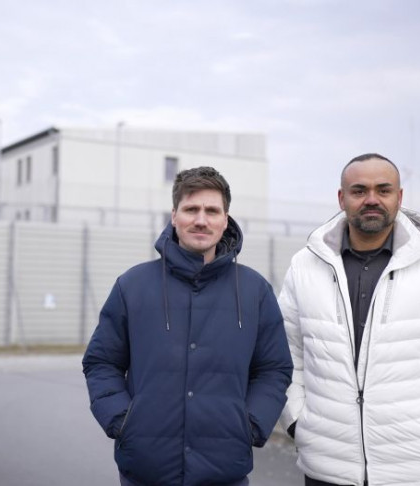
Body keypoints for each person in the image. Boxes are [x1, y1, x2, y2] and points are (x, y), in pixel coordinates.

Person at [278, 153, 420, 486]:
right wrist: (297, 421)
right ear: (341, 198)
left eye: (383, 190)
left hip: (419, 471)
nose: (371, 199)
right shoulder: (304, 266)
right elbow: (285, 352)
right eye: (359, 190)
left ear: (399, 197)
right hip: (327, 467)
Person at [83, 166, 293, 486]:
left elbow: (274, 368)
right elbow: (101, 362)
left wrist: (251, 424)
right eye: (191, 209)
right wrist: (121, 421)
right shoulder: (132, 286)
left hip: (224, 471)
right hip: (146, 471)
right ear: (174, 216)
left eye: (212, 211)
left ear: (226, 219)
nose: (201, 220)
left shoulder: (255, 291)